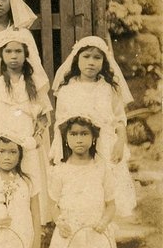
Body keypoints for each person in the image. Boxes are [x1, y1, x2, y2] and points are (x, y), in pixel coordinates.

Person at [51, 36, 136, 217]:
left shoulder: (109, 89)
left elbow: (120, 119)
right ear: (77, 59)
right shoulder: (67, 90)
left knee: (105, 193)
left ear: (104, 62)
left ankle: (105, 233)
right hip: (77, 148)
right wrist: (60, 151)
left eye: (97, 58)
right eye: (86, 57)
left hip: (105, 147)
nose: (91, 62)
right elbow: (60, 123)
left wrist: (120, 142)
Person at [46, 115, 123, 248]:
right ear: (65, 138)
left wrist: (104, 222)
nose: (79, 139)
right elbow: (52, 204)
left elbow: (111, 205)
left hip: (96, 231)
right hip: (69, 233)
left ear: (94, 137)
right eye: (73, 134)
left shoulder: (102, 168)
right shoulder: (60, 170)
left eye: (84, 134)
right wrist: (60, 222)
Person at [0, 31, 52, 223]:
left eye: (18, 51)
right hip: (2, 147)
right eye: (9, 52)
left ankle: (33, 226)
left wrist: (36, 140)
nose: (13, 56)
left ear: (26, 54)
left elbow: (44, 118)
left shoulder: (35, 84)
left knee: (30, 184)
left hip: (27, 145)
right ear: (2, 56)